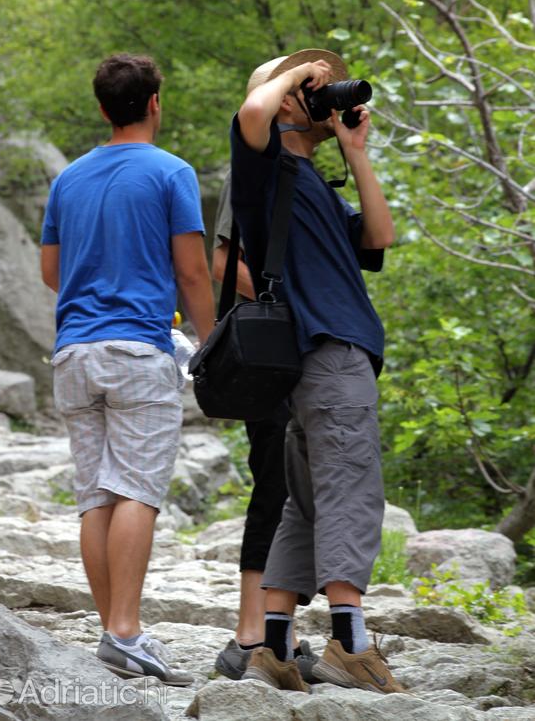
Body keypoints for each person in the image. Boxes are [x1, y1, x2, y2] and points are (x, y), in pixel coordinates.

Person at [230, 49, 404, 693]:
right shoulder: (263, 168)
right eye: (316, 88)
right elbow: (251, 110)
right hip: (329, 353)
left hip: (319, 361)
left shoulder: (314, 188)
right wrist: (290, 85)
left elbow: (379, 237)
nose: (326, 95)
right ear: (285, 101)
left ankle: (274, 650)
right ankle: (350, 645)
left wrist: (354, 149)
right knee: (351, 490)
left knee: (304, 506)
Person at [40, 53, 215, 685]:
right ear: (155, 103)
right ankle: (125, 632)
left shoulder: (69, 179)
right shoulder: (172, 172)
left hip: (73, 354)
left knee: (96, 495)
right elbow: (192, 270)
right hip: (139, 350)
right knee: (137, 489)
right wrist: (210, 339)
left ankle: (114, 631)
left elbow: (52, 274)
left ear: (101, 108)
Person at [211, 173, 318, 683]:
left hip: (308, 353)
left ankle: (282, 632)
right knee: (275, 483)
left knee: (297, 487)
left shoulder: (315, 176)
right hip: (269, 352)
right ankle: (251, 633)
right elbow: (223, 264)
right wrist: (300, 307)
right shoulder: (251, 173)